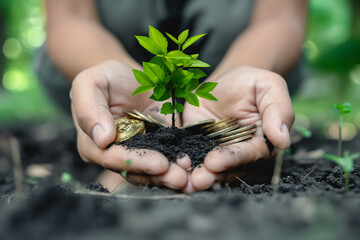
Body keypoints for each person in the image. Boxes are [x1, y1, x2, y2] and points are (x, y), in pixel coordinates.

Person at [35, 0, 307, 193]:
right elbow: (69, 14)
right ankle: (121, 121)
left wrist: (242, 72)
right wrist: (108, 77)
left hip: (240, 60)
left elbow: (281, 15)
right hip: (100, 56)